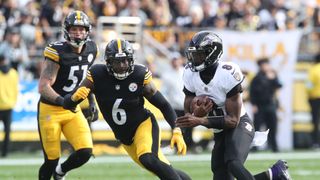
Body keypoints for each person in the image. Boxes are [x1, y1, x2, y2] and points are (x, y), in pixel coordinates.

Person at [63, 39, 191, 180]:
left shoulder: (139, 74)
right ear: (108, 62)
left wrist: (177, 130)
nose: (123, 66)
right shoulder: (96, 75)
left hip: (144, 125)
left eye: (125, 61)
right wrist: (73, 98)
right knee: (162, 168)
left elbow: (164, 105)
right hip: (125, 138)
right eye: (117, 62)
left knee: (148, 158)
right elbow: (67, 104)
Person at [176, 31, 290, 180]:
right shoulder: (190, 74)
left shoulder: (227, 73)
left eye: (199, 54)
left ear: (212, 54)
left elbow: (233, 120)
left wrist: (201, 120)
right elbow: (188, 111)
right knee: (220, 174)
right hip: (219, 129)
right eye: (193, 54)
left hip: (239, 125)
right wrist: (196, 113)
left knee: (233, 162)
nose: (194, 59)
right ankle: (274, 174)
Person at [37, 10, 99, 180]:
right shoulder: (57, 51)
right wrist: (62, 101)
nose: (77, 33)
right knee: (51, 159)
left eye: (81, 29)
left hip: (72, 109)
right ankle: (53, 170)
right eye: (73, 29)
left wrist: (92, 101)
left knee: (85, 151)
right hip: (50, 109)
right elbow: (43, 86)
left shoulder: (92, 49)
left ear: (87, 31)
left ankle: (60, 172)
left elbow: (88, 78)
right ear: (66, 30)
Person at [250, 58, 282, 152]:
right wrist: (254, 104)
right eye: (264, 65)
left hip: (270, 105)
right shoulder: (256, 78)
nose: (266, 67)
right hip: (260, 106)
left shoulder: (272, 75)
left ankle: (274, 146)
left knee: (273, 126)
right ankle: (255, 147)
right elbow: (252, 92)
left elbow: (280, 85)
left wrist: (273, 78)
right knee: (257, 128)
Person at [0, 55, 18, 157]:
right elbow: (16, 89)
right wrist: (13, 101)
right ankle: (5, 153)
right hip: (9, 105)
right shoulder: (14, 73)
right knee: (7, 132)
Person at [306, 53, 320, 149]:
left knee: (315, 121)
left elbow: (309, 85)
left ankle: (316, 142)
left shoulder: (313, 69)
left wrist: (309, 93)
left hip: (315, 97)